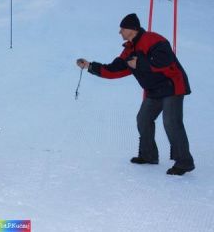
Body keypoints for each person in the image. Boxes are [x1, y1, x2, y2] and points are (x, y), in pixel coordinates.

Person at [76, 13, 195, 176]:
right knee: (143, 119)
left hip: (172, 86)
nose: (120, 33)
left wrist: (140, 63)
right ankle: (148, 155)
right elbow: (113, 70)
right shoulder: (129, 50)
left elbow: (166, 60)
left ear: (132, 29)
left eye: (122, 29)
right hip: (154, 90)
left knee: (171, 122)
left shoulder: (152, 39)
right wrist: (89, 66)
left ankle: (184, 162)